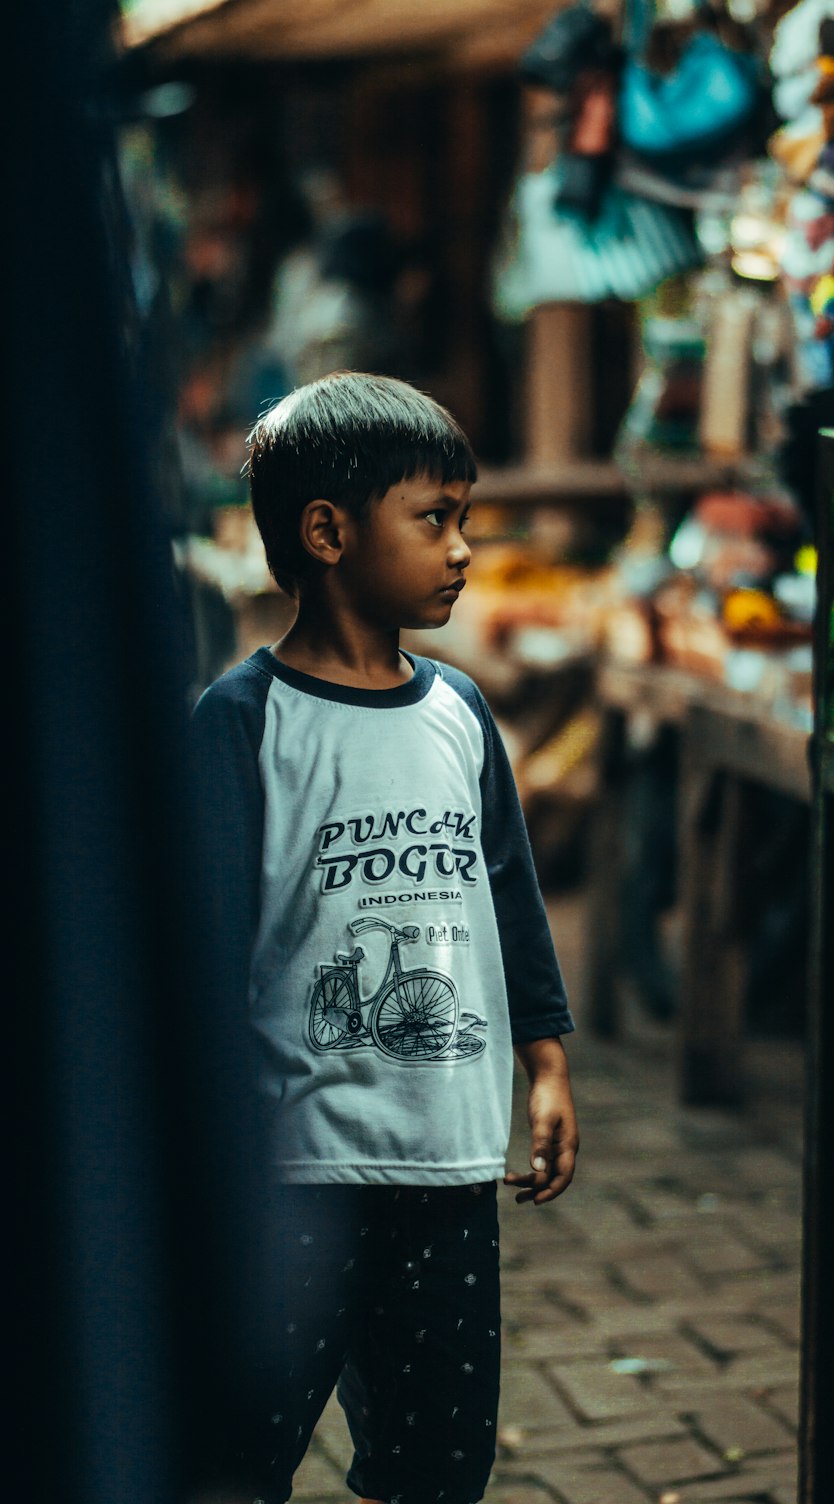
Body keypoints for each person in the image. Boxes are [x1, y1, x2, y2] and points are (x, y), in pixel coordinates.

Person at [189, 371, 578, 1504]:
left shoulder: (459, 712)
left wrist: (544, 1060)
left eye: (465, 518)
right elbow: (204, 950)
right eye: (435, 518)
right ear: (327, 531)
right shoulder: (243, 723)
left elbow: (507, 891)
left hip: (447, 1170)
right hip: (291, 1173)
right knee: (238, 1451)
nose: (463, 548)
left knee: (436, 1463)